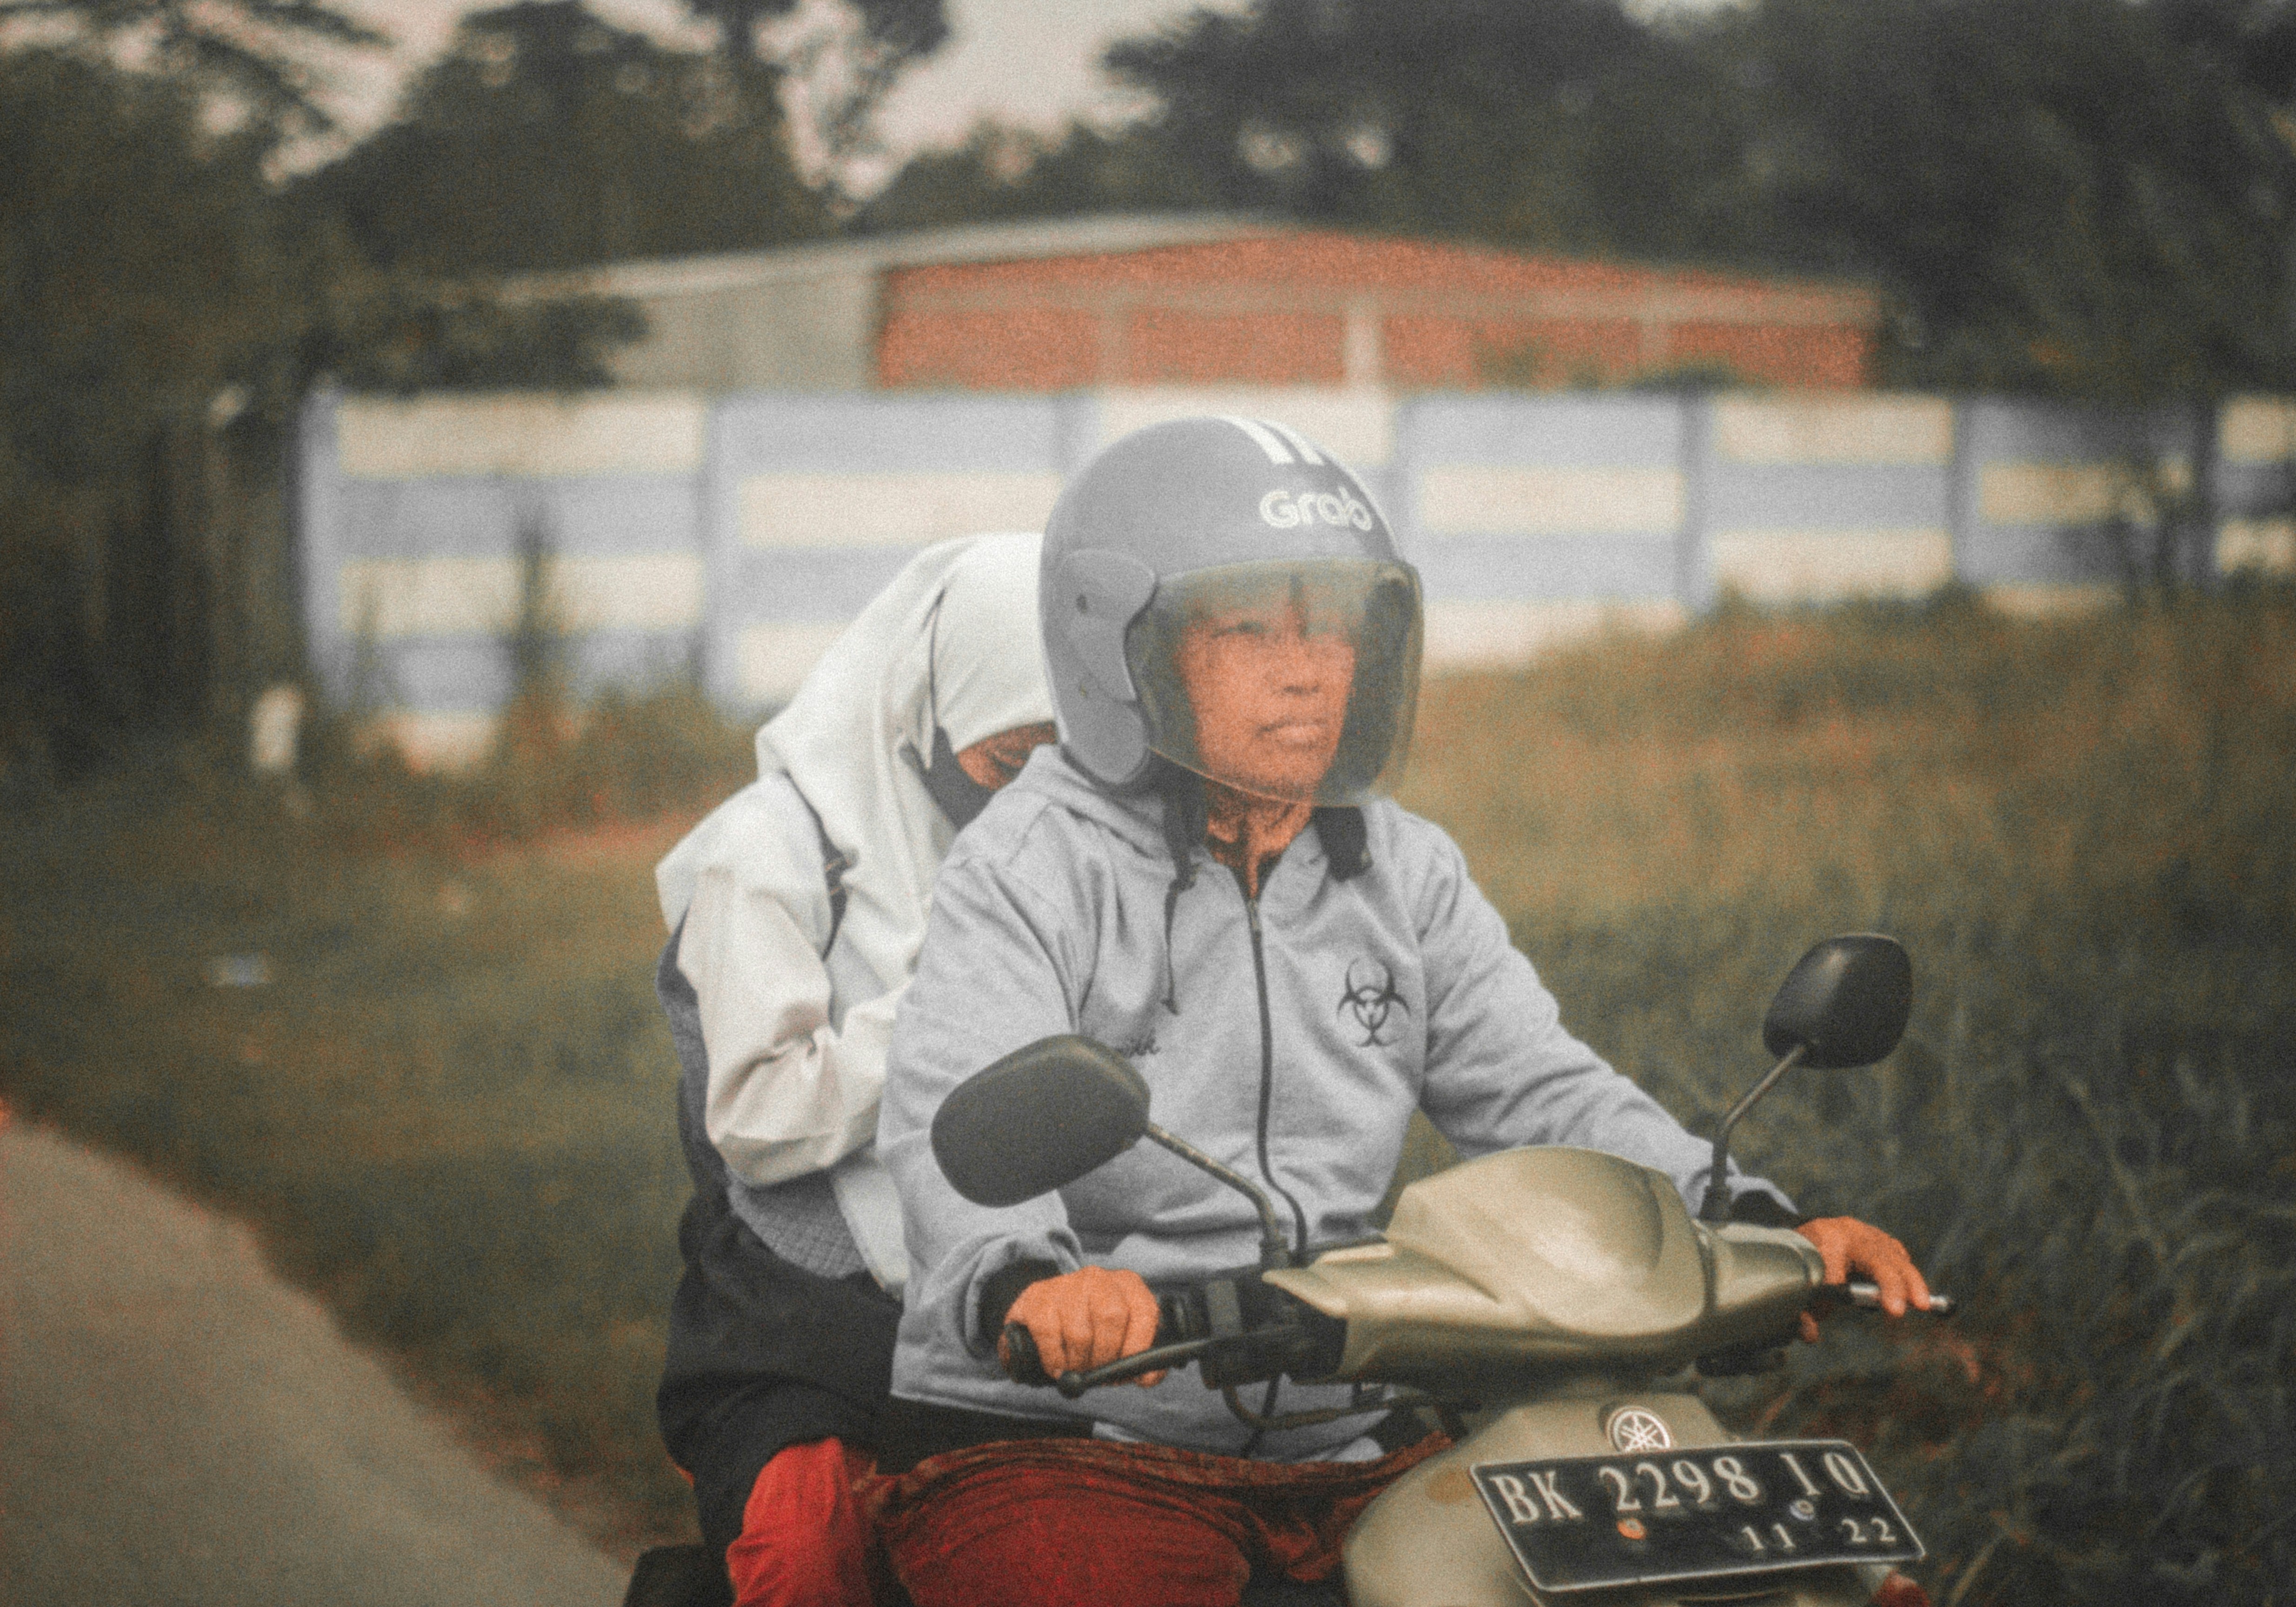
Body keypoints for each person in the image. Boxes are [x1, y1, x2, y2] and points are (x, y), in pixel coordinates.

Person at [867, 419, 1933, 1607]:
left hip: (1346, 1428)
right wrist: (1029, 1284)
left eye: (1335, 625)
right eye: (1248, 628)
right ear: (1128, 657)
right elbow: (951, 1114)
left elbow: (1540, 1090)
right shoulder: (1030, 865)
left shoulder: (1401, 871)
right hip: (1069, 1443)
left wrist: (1744, 1215)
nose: (1309, 667)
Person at [649, 531, 1056, 1607]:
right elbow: (759, 1115)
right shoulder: (768, 854)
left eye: (1069, 763)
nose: (1032, 799)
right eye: (1009, 763)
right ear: (929, 708)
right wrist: (957, 1007)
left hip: (1012, 1302)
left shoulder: (1056, 849)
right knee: (803, 1547)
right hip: (805, 1322)